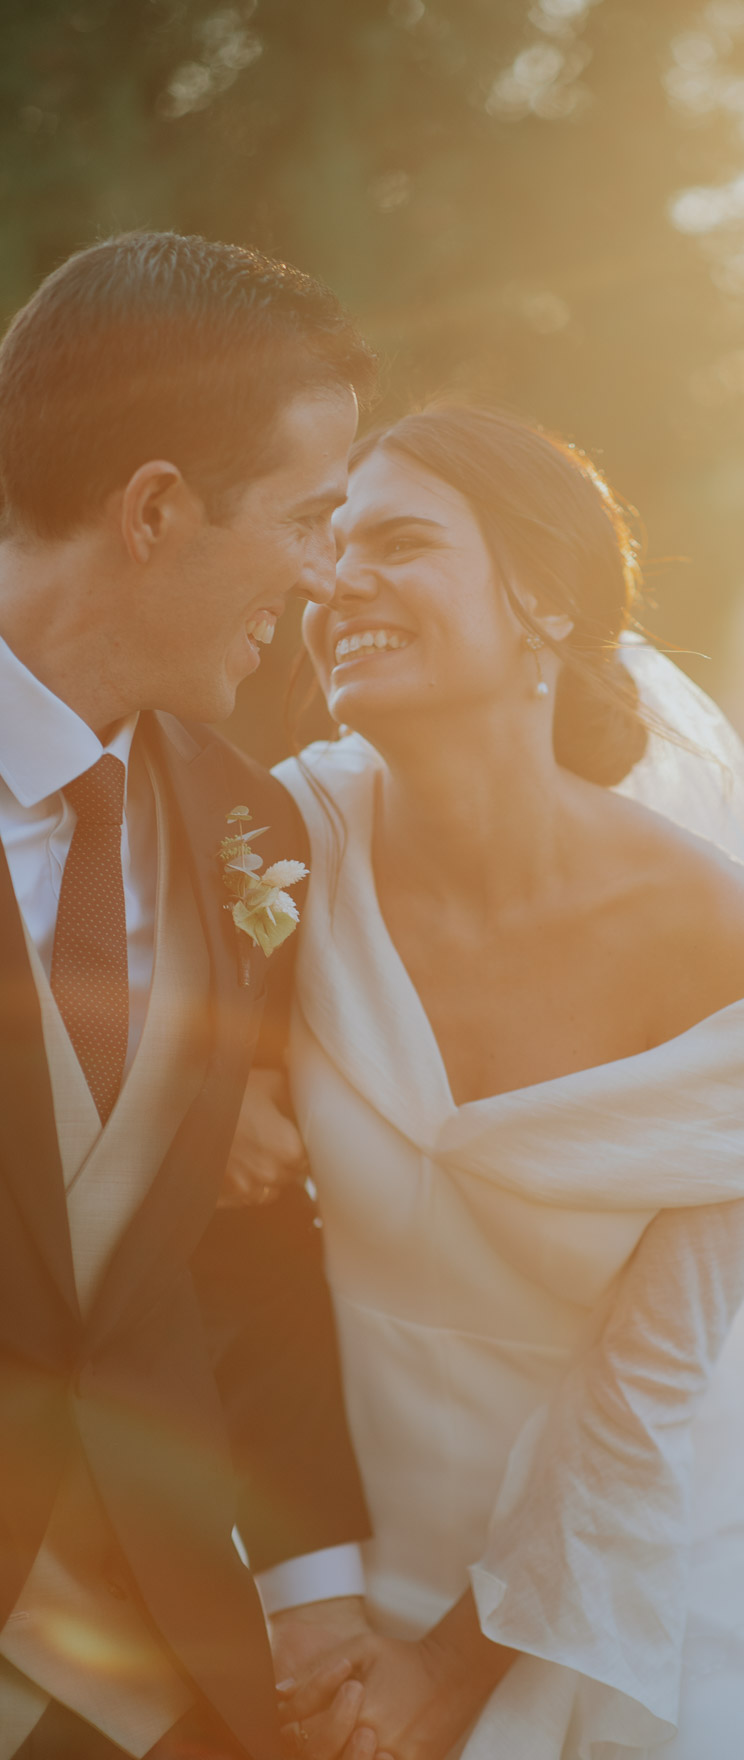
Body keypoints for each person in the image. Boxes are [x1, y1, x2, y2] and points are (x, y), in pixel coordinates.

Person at [249, 405, 744, 1759]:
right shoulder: (284, 845)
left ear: (542, 602)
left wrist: (440, 1682)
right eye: (331, 542)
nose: (337, 580)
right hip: (359, 1557)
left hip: (629, 1584)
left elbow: (648, 1390)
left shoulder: (736, 957)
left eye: (401, 542)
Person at [0, 231, 393, 1760]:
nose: (320, 578)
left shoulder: (254, 832)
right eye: (309, 519)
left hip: (160, 1678)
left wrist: (308, 1583)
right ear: (157, 508)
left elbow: (240, 1249)